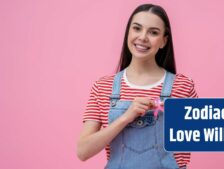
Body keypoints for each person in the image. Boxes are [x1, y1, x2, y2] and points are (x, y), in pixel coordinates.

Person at [77, 4, 198, 169]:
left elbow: (202, 135)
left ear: (164, 41)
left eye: (153, 32)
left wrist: (176, 113)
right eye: (137, 28)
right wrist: (126, 117)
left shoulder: (182, 86)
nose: (142, 37)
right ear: (128, 32)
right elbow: (83, 151)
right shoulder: (103, 87)